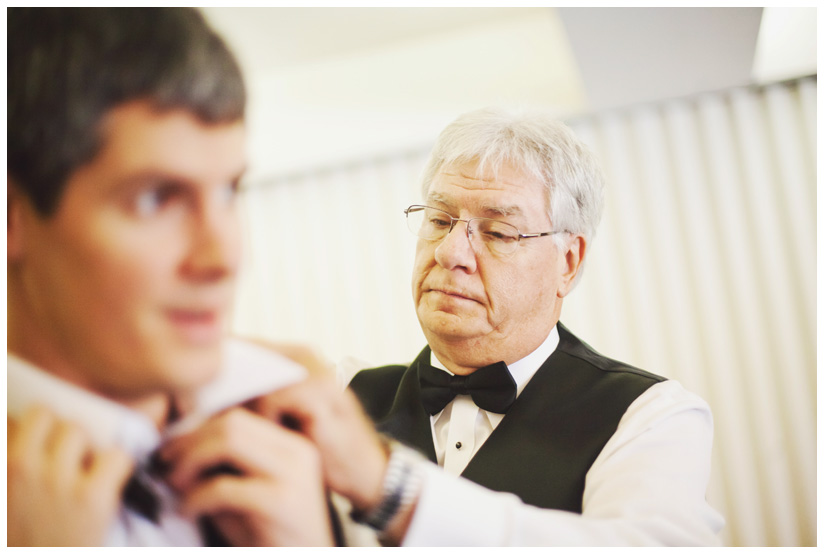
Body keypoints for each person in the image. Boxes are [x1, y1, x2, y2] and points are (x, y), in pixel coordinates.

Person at [256, 107, 726, 545]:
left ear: (568, 261)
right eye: (440, 220)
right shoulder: (340, 394)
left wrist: (395, 491)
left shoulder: (651, 418)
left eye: (498, 232)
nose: (450, 253)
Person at [7, 7, 334, 546]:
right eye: (156, 198)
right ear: (12, 217)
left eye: (230, 191)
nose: (222, 257)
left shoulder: (294, 427)